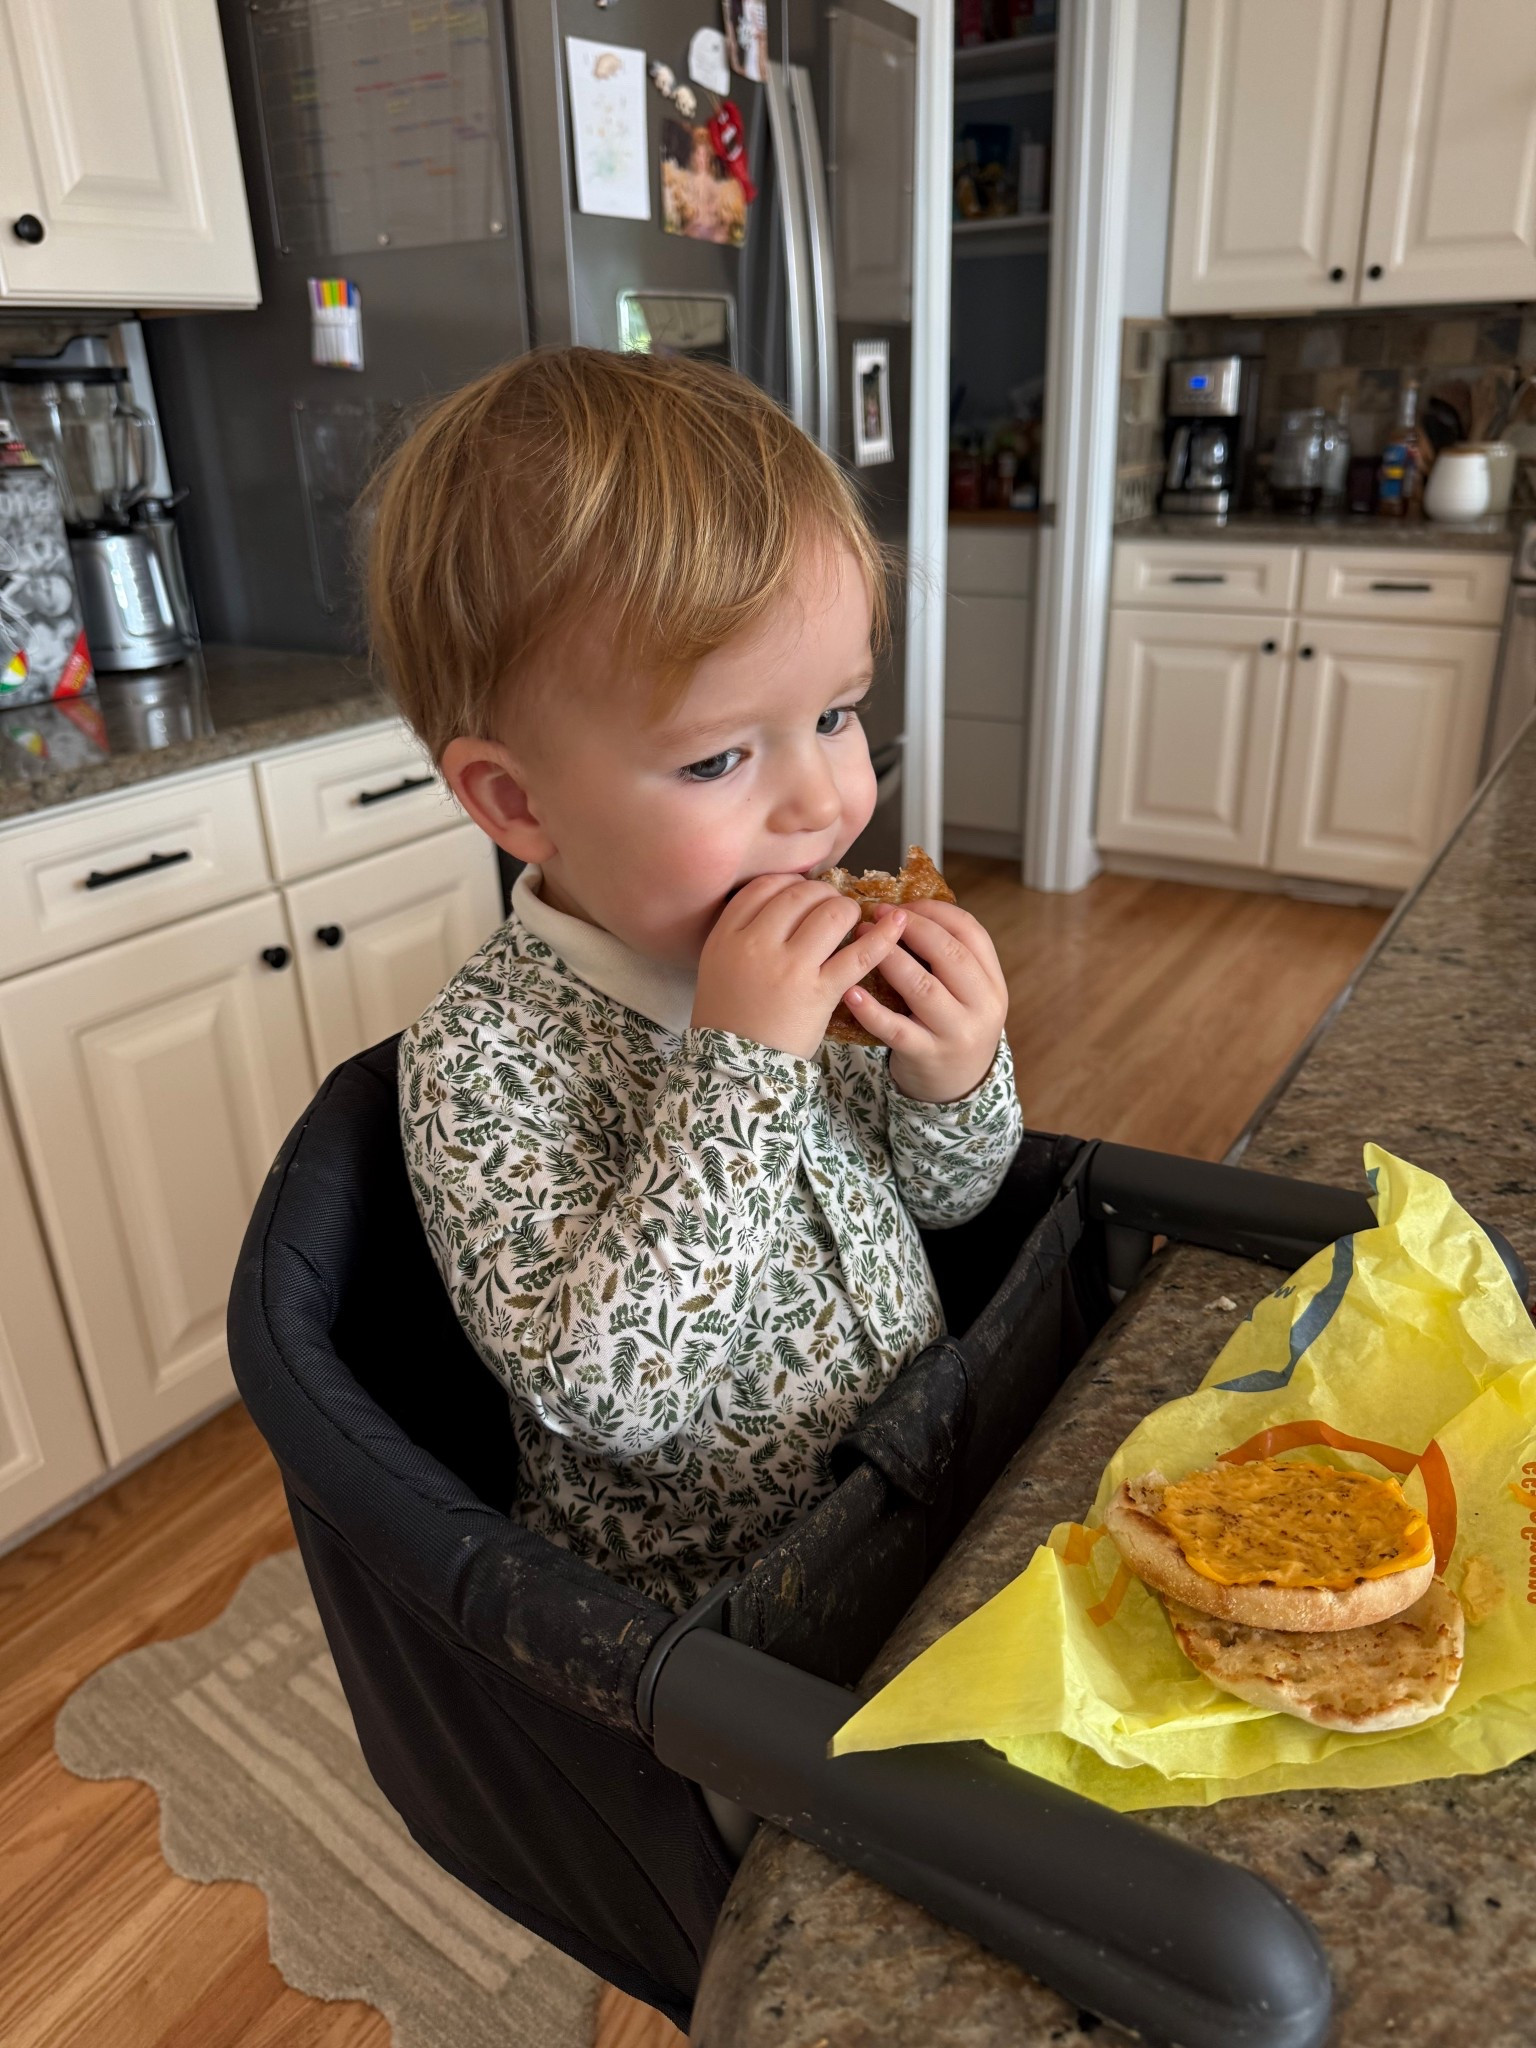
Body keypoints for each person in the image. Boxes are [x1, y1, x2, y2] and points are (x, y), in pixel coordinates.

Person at [367, 347, 1023, 1610]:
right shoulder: (482, 1058)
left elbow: (950, 1201)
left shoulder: (805, 945)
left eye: (837, 715)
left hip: (932, 1489)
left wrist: (955, 1074)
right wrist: (742, 1069)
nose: (827, 803)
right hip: (723, 1615)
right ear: (518, 800)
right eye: (721, 758)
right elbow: (609, 1393)